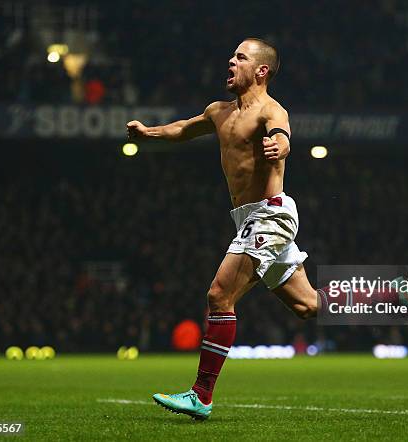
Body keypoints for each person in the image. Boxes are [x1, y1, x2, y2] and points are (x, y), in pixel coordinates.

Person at [126, 38, 319, 420]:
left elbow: (282, 133)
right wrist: (149, 133)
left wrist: (280, 146)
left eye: (241, 58)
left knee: (219, 295)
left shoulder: (270, 110)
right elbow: (184, 128)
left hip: (271, 214)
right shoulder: (219, 111)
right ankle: (385, 295)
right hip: (248, 218)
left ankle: (201, 395)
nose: (231, 62)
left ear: (261, 71)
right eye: (232, 56)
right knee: (307, 306)